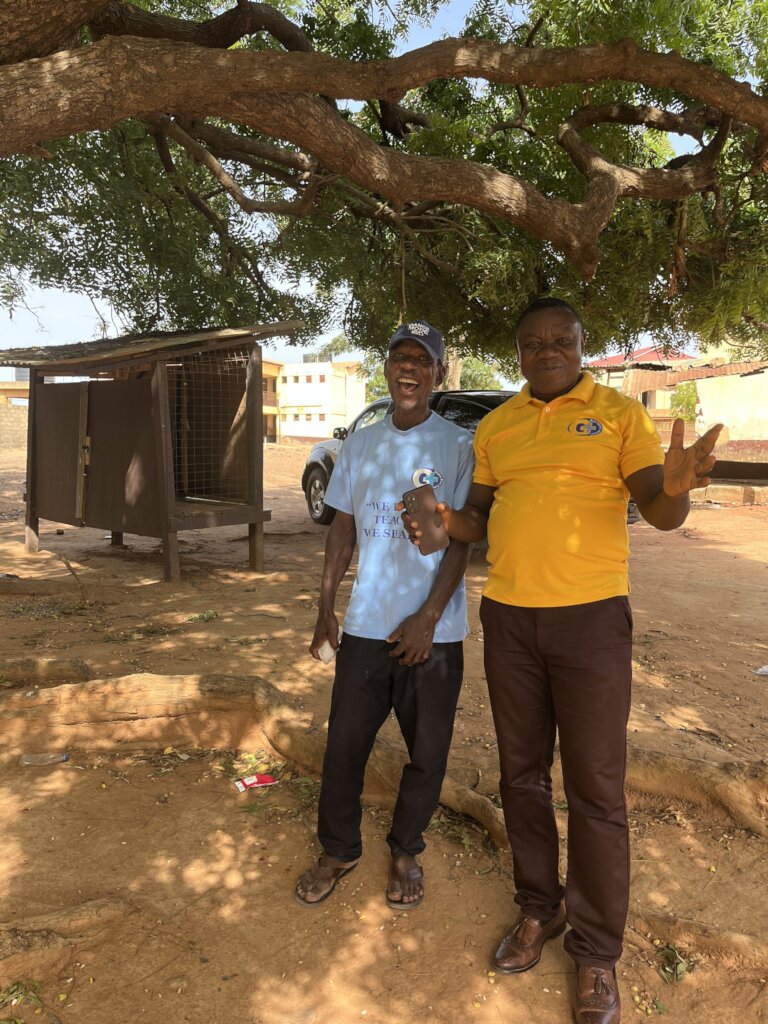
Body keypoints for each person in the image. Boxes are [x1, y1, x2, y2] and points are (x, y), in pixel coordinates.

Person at [401, 298, 722, 1024]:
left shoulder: (618, 415)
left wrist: (675, 492)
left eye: (562, 341)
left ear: (582, 345)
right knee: (521, 776)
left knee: (596, 789)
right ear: (517, 352)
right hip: (510, 619)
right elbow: (477, 518)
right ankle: (538, 910)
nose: (547, 351)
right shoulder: (500, 426)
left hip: (592, 623)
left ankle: (598, 953)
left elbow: (659, 506)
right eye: (532, 343)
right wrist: (449, 522)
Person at [295, 319, 474, 911]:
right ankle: (339, 848)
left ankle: (406, 849)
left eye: (421, 360)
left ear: (437, 374)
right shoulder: (362, 441)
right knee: (345, 742)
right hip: (368, 624)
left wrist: (428, 617)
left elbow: (462, 542)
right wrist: (326, 606)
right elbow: (342, 527)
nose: (408, 369)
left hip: (435, 632)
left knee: (428, 750)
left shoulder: (458, 446)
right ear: (388, 368)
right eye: (399, 357)